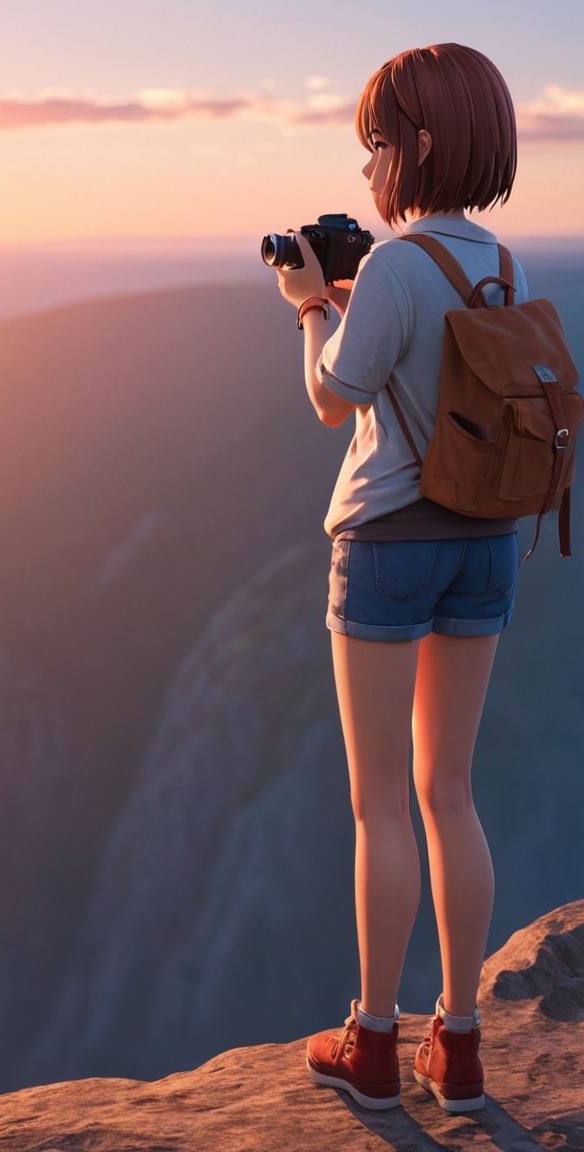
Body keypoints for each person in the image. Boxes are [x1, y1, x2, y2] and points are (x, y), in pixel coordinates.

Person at [274, 43, 525, 1113]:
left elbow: (336, 397)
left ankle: (372, 1043)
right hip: (484, 536)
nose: (370, 165)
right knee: (448, 793)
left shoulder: (390, 267)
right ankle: (457, 1043)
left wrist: (305, 305)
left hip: (384, 546)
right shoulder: (497, 262)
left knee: (379, 803)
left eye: (377, 141)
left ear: (415, 144)